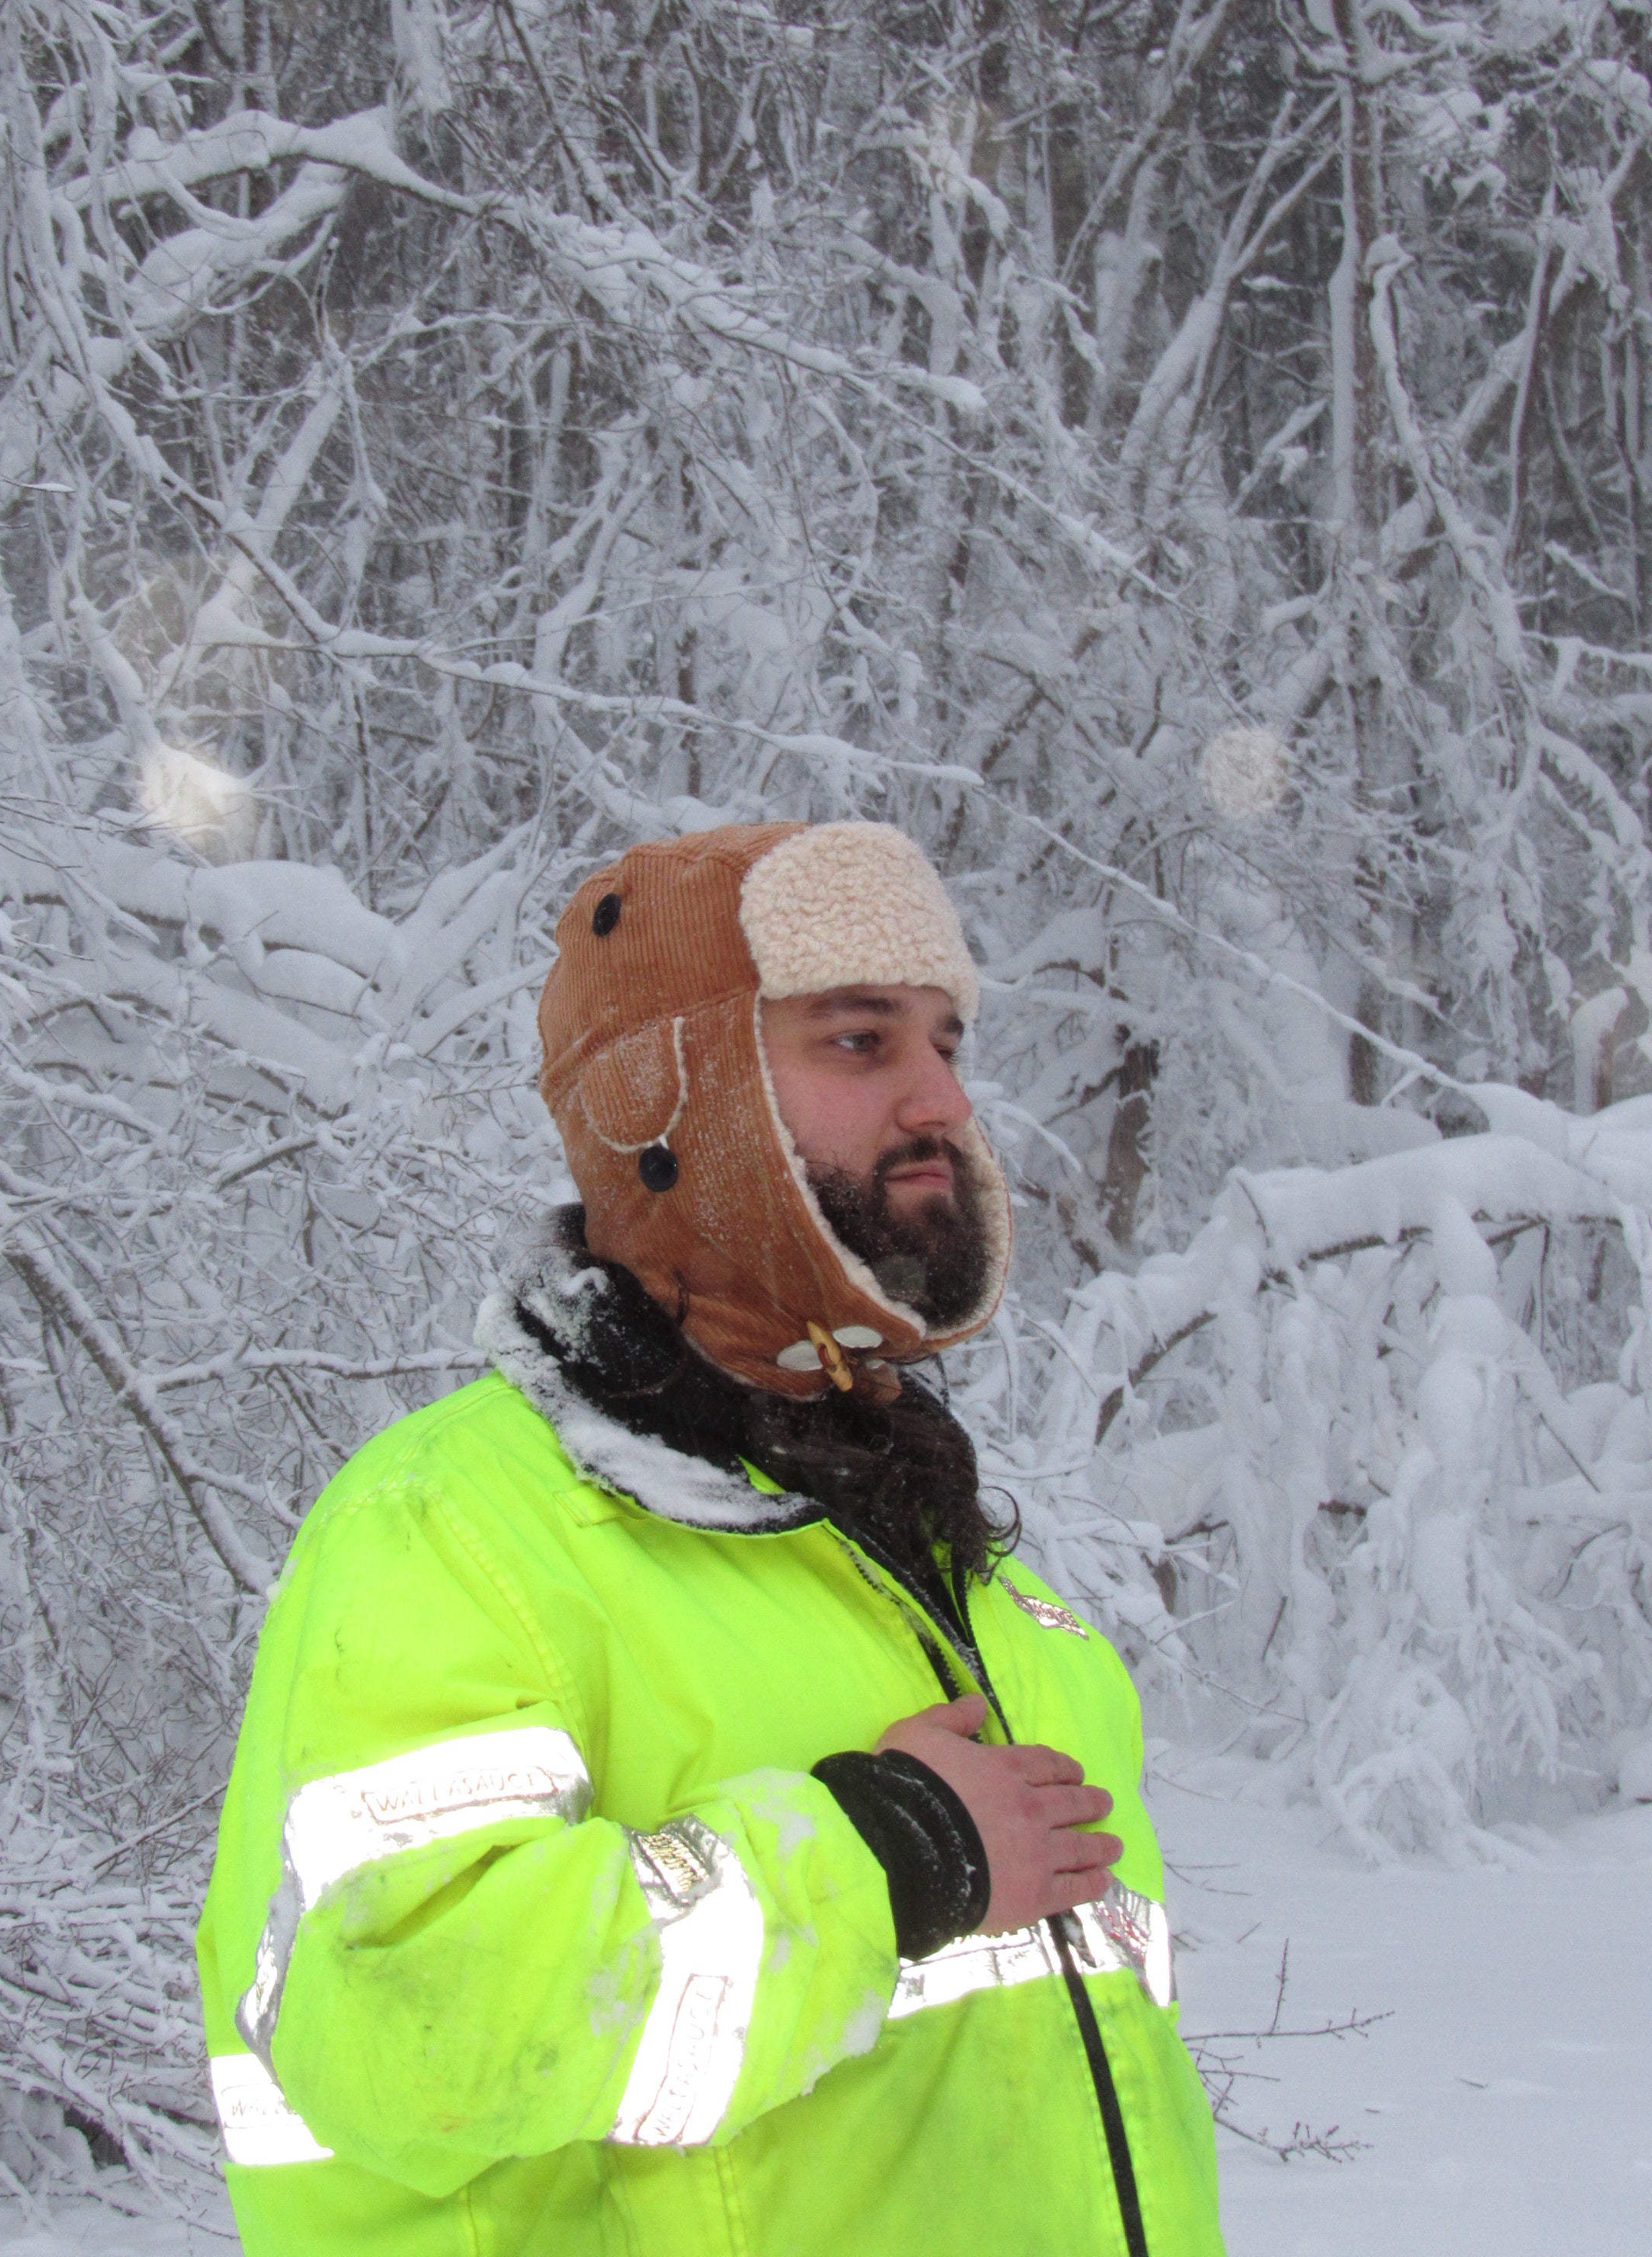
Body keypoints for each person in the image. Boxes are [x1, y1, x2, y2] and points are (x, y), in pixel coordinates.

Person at [196, 820, 1224, 2256]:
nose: (940, 1100)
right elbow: (401, 2025)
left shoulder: (964, 1570)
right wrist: (888, 1852)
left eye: (948, 1043)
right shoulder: (455, 1533)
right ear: (658, 1097)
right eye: (861, 1043)